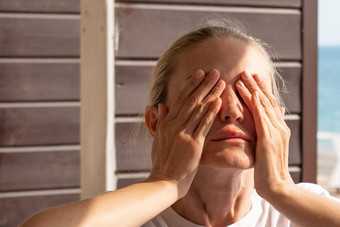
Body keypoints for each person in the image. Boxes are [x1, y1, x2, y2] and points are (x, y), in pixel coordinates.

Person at [20, 19, 340, 227]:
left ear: (277, 118)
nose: (231, 111)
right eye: (207, 93)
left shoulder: (301, 211)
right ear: (157, 122)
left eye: (247, 93)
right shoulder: (129, 217)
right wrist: (165, 184)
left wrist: (281, 190)